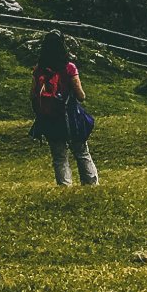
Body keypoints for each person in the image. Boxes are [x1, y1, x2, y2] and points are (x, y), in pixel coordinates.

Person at [30, 32, 99, 187]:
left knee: (59, 156)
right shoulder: (69, 68)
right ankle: (90, 184)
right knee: (81, 152)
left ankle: (64, 186)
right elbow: (81, 96)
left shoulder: (39, 69)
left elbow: (32, 95)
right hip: (71, 117)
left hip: (50, 119)